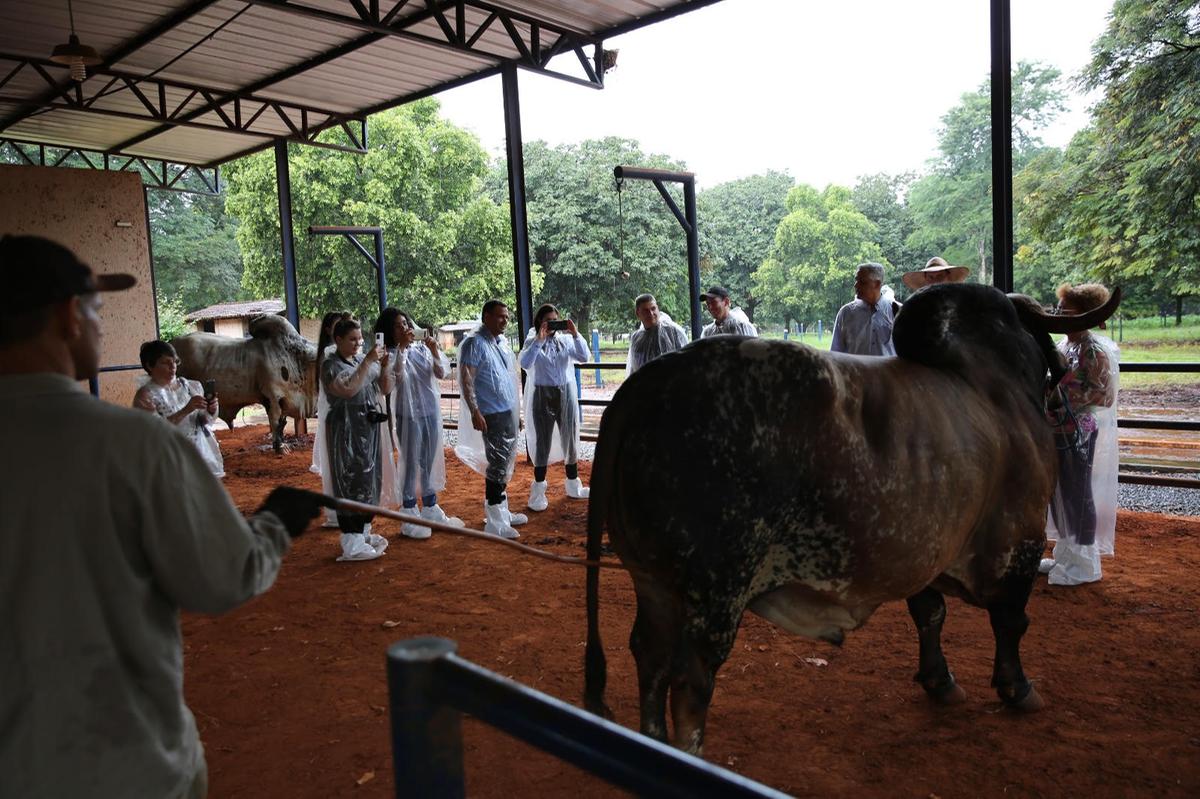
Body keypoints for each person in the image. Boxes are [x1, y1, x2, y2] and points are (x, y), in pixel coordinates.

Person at [0, 234, 324, 799]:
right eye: (98, 310)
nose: (102, 325)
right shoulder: (134, 444)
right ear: (68, 316)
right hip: (124, 760)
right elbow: (224, 578)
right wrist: (274, 524)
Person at [1041, 282, 1120, 586]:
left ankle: (1084, 563)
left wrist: (1061, 394)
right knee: (1060, 494)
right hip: (1058, 427)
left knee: (1077, 492)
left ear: (1085, 317)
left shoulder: (1094, 350)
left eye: (1066, 312)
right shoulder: (1064, 346)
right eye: (1059, 309)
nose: (1059, 315)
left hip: (1079, 430)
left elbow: (1105, 396)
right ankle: (1066, 554)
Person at [377, 307, 463, 539]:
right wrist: (403, 349)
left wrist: (434, 350)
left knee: (428, 458)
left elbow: (442, 372)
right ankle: (408, 511)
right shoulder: (389, 354)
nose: (404, 328)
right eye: (398, 325)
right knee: (410, 461)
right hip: (408, 415)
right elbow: (394, 380)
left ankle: (430, 505)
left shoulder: (420, 349)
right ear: (389, 330)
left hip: (429, 412)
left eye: (406, 323)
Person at [454, 299, 528, 539]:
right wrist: (475, 410)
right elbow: (466, 379)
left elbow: (508, 379)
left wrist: (516, 412)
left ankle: (502, 512)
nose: (504, 321)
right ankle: (494, 521)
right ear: (486, 316)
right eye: (499, 316)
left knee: (505, 463)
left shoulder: (500, 343)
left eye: (506, 317)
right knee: (496, 466)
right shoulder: (474, 343)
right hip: (491, 414)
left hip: (506, 411)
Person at [322, 316, 393, 561]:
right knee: (349, 479)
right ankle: (350, 538)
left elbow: (384, 388)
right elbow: (349, 388)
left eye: (360, 339)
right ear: (338, 339)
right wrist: (370, 361)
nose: (357, 343)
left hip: (367, 429)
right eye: (352, 339)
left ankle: (363, 531)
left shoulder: (362, 359)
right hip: (346, 432)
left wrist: (384, 365)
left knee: (369, 478)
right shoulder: (331, 365)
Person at [518, 303, 592, 511]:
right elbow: (525, 362)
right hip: (542, 394)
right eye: (547, 320)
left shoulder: (566, 340)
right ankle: (539, 491)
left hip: (565, 392)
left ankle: (573, 485)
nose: (552, 324)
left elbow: (584, 357)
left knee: (570, 439)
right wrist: (539, 341)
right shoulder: (533, 340)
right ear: (540, 323)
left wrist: (575, 334)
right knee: (542, 442)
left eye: (555, 320)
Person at [133, 339, 225, 478]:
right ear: (150, 366)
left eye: (174, 361)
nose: (172, 366)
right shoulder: (146, 395)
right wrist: (186, 410)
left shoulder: (191, 386)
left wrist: (211, 409)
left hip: (200, 452)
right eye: (165, 362)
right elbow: (154, 431)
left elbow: (203, 421)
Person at [311, 310, 351, 526]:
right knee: (335, 462)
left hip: (341, 412)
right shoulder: (329, 354)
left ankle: (341, 508)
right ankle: (337, 510)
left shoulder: (333, 355)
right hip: (334, 414)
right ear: (330, 331)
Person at [830, 263, 901, 356]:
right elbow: (835, 353)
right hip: (855, 370)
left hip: (887, 371)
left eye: (862, 282)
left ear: (877, 284)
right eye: (856, 280)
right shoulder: (845, 313)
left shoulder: (897, 311)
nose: (856, 285)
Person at [627, 293, 690, 375]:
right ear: (637, 313)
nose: (651, 313)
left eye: (653, 308)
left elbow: (686, 362)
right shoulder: (636, 338)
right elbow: (633, 368)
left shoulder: (674, 331)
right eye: (646, 310)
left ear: (658, 308)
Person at [901, 256, 970, 292]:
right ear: (925, 279)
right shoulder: (919, 305)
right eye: (931, 277)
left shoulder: (961, 301)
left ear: (948, 277)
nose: (935, 281)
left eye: (940, 276)